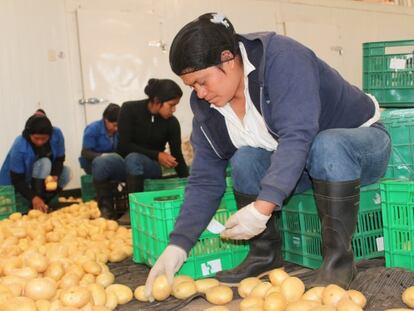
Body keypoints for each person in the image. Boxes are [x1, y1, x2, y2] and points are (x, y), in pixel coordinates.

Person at [144, 12, 391, 297]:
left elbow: (298, 136)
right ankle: (264, 256)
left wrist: (262, 207)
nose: (199, 94)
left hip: (361, 148)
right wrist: (178, 246)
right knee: (245, 159)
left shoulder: (282, 59)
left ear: (228, 58)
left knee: (328, 144)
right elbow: (205, 179)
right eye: (192, 87)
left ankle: (339, 263)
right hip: (307, 165)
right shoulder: (209, 109)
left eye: (202, 81)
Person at [94, 78, 189, 222]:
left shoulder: (172, 123)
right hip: (126, 162)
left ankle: (134, 212)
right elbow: (124, 145)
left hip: (150, 167)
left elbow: (177, 156)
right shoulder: (129, 109)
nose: (174, 110)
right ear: (157, 101)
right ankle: (107, 213)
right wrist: (157, 154)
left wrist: (187, 183)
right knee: (101, 162)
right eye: (171, 105)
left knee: (134, 159)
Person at [0, 114, 71, 212]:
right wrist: (33, 197)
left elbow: (59, 159)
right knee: (45, 163)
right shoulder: (20, 145)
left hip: (37, 178)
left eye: (44, 138)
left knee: (67, 172)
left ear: (50, 135)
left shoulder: (57, 134)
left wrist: (55, 175)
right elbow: (17, 179)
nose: (40, 142)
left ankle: (44, 201)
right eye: (36, 138)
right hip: (17, 181)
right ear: (29, 134)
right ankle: (35, 201)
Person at [79, 103, 121, 175]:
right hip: (92, 162)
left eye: (118, 125)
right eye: (114, 125)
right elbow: (85, 153)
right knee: (104, 168)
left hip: (112, 161)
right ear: (106, 120)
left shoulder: (119, 129)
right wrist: (102, 156)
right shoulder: (93, 129)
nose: (116, 128)